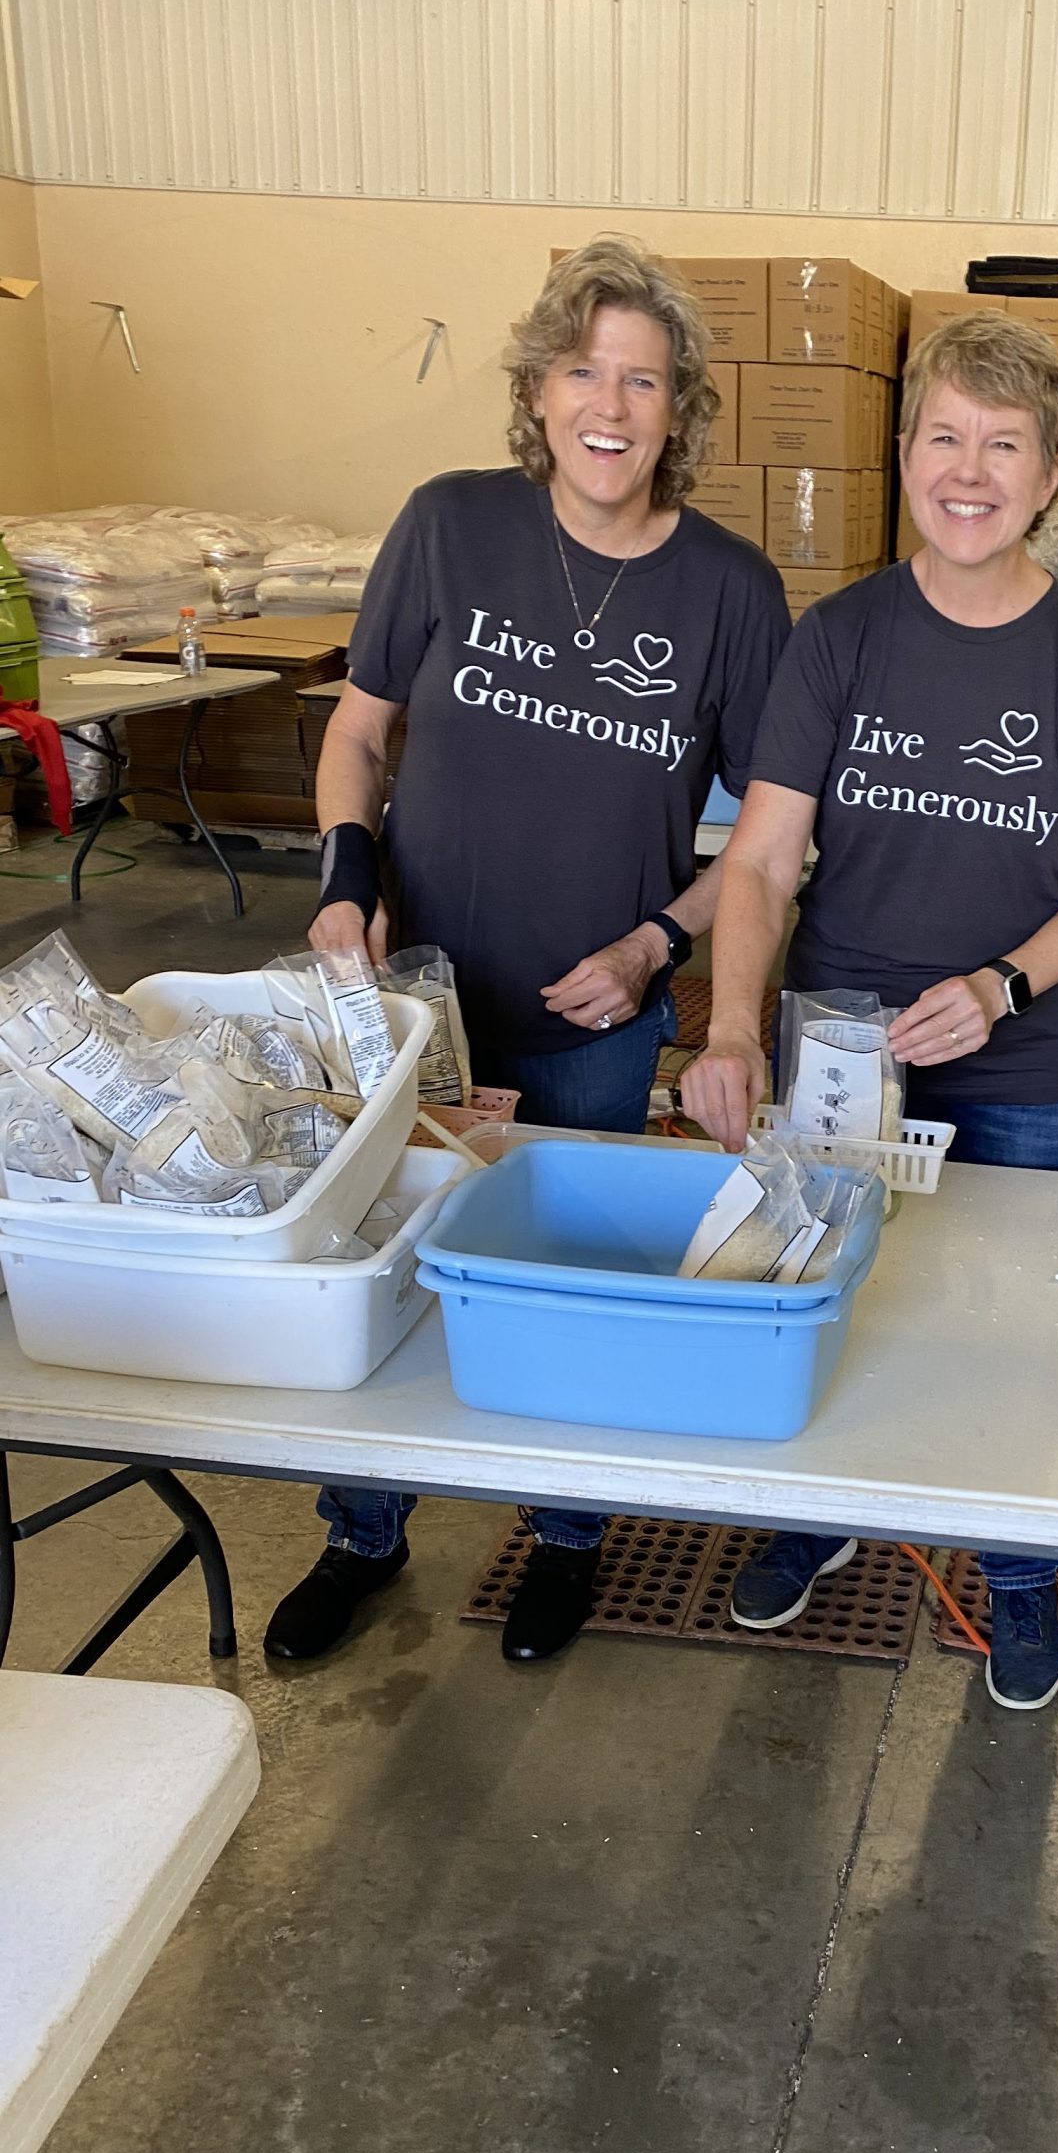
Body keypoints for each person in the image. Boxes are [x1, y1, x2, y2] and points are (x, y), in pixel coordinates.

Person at [266, 238, 789, 1669]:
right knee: (376, 1254)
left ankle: (563, 1533)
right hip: (411, 1011)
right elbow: (360, 732)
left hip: (592, 1024)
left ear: (680, 411)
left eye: (645, 379)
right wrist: (345, 883)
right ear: (539, 392)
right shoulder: (449, 525)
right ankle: (362, 1531)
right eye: (583, 370)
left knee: (568, 1281)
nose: (611, 404)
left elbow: (763, 839)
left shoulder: (731, 595)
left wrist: (651, 947)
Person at [680, 314, 1058, 1711]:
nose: (969, 471)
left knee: (1014, 1331)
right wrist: (726, 1027)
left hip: (1036, 1064)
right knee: (829, 1298)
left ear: (1053, 475)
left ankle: (1016, 1576)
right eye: (945, 437)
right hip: (838, 1052)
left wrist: (1001, 984)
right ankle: (817, 1516)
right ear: (903, 459)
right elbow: (761, 858)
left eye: (1003, 446)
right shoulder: (839, 641)